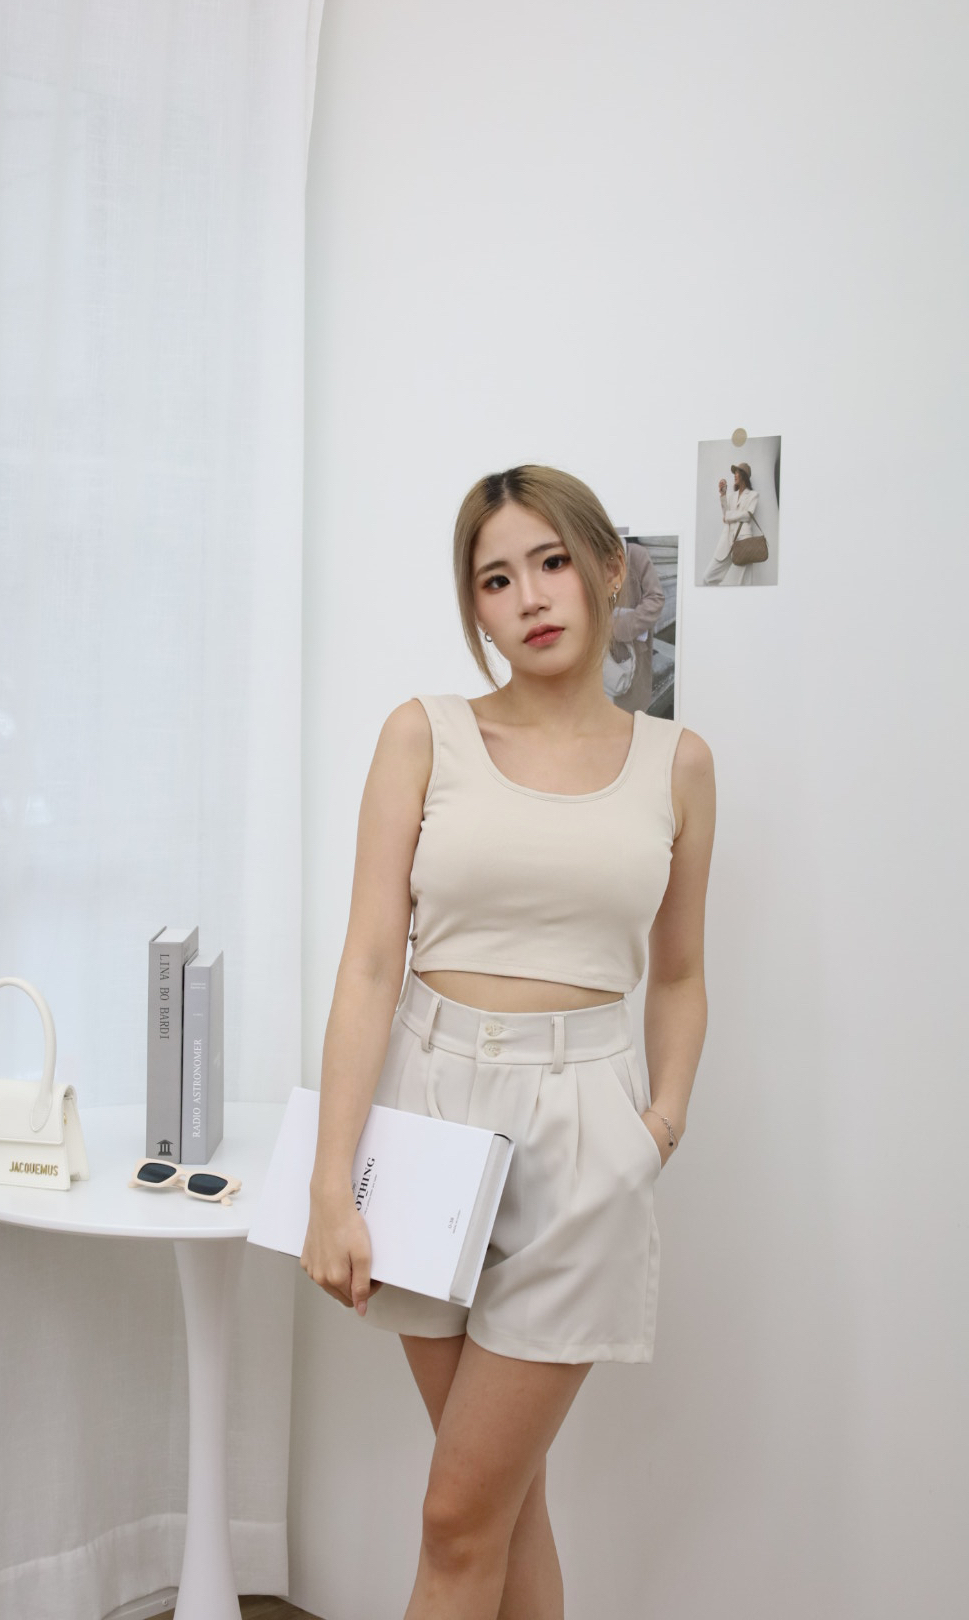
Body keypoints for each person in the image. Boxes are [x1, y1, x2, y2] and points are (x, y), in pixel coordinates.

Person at [301, 464, 716, 1620]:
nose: (528, 597)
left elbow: (681, 971)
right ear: (474, 607)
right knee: (496, 1507)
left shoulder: (677, 764)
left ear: (608, 569)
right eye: (495, 579)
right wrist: (333, 1184)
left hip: (587, 1130)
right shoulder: (423, 735)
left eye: (550, 562)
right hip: (427, 1116)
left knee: (457, 1516)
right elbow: (370, 964)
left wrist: (659, 1127)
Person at [603, 536, 666, 713]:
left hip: (633, 646)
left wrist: (621, 626)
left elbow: (656, 598)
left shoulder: (636, 554)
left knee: (633, 706)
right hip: (601, 645)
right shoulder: (591, 556)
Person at [703, 461, 759, 586]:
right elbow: (725, 514)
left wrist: (729, 516)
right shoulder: (731, 496)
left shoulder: (753, 495)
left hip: (744, 541)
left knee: (744, 584)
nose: (735, 475)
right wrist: (723, 495)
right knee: (707, 578)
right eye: (735, 473)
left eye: (737, 472)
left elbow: (748, 515)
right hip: (727, 541)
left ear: (744, 475)